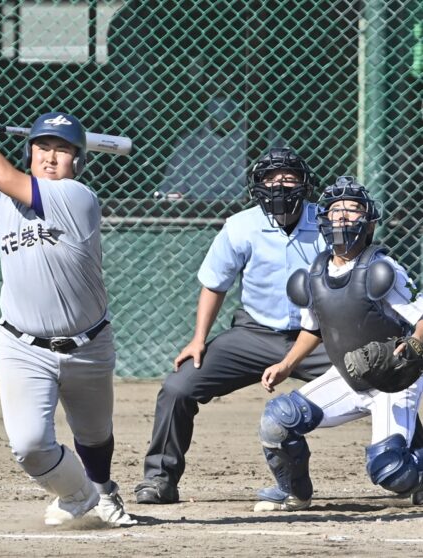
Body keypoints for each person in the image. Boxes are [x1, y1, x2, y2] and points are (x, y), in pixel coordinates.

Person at [0, 100, 135, 526]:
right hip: (24, 346)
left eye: (62, 149)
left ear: (77, 160)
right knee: (30, 444)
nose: (51, 156)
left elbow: (2, 174)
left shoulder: (77, 197)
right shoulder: (0, 201)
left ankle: (103, 489)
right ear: (30, 152)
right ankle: (79, 496)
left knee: (95, 436)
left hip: (89, 343)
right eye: (42, 147)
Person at [134, 147, 334, 504]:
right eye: (270, 180)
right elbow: (215, 285)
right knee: (178, 388)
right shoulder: (241, 225)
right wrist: (198, 340)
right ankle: (159, 479)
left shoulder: (325, 224)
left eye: (289, 179)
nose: (280, 187)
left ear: (305, 184)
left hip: (319, 338)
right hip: (254, 333)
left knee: (378, 377)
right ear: (257, 187)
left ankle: (415, 471)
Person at [254, 177, 423, 511]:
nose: (343, 217)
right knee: (277, 420)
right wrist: (287, 365)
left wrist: (416, 344)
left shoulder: (381, 268)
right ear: (323, 220)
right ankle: (295, 492)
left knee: (390, 470)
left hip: (393, 381)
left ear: (368, 221)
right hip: (349, 376)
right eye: (335, 210)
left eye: (353, 209)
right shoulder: (315, 274)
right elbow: (313, 330)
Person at [154, 96, 247, 200]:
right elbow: (172, 190)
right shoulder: (188, 142)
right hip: (197, 208)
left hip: (243, 207)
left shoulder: (250, 139)